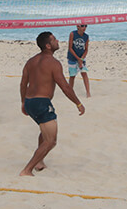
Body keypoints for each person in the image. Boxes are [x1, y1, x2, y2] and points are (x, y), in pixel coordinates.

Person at [19, 32, 85, 176]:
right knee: (51, 141)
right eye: (54, 39)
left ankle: (39, 162)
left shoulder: (31, 61)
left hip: (30, 102)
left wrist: (23, 102)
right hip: (42, 103)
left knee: (44, 130)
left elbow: (23, 83)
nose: (57, 40)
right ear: (48, 46)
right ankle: (27, 170)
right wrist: (78, 103)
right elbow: (65, 86)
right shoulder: (54, 63)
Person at [67, 24, 91, 97]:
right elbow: (70, 48)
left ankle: (88, 93)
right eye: (82, 26)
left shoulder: (86, 36)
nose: (84, 27)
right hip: (72, 57)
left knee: (84, 73)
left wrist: (81, 59)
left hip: (81, 57)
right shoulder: (72, 34)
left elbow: (86, 49)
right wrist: (78, 59)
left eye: (86, 26)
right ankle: (70, 92)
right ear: (78, 26)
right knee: (72, 76)